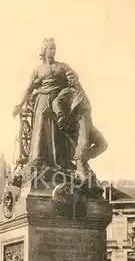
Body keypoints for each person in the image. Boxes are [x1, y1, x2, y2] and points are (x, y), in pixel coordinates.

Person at [13, 38, 107, 179]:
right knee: (40, 130)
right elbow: (28, 88)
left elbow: (75, 81)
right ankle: (37, 161)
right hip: (42, 101)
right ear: (44, 51)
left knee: (58, 133)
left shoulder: (62, 67)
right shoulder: (37, 70)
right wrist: (20, 104)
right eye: (49, 48)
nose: (52, 50)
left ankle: (60, 163)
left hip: (59, 102)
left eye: (54, 48)